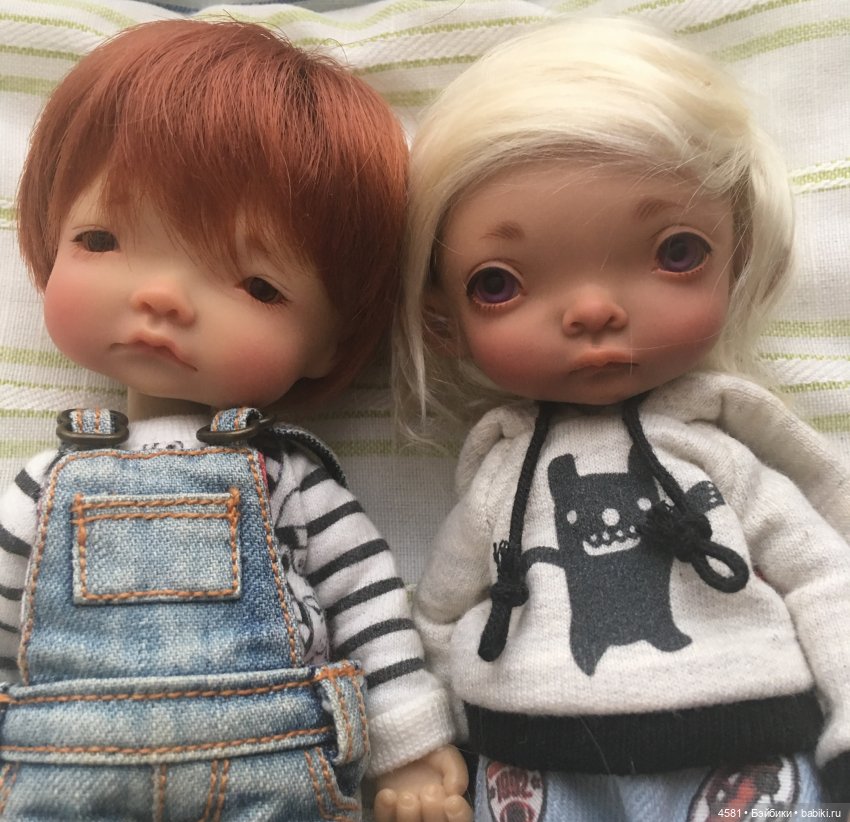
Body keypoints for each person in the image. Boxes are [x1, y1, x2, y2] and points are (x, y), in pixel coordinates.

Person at [0, 19, 470, 820]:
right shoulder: (44, 484)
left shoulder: (287, 478)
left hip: (270, 762)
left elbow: (369, 604)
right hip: (65, 768)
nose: (162, 297)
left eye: (258, 285)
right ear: (46, 240)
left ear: (332, 342)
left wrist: (409, 746)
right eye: (102, 238)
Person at [393, 16, 850, 818]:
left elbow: (823, 576)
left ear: (740, 256)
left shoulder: (714, 454)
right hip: (534, 763)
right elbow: (435, 616)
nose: (594, 311)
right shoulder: (504, 478)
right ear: (441, 321)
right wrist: (422, 748)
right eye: (499, 283)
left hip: (741, 748)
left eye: (676, 253)